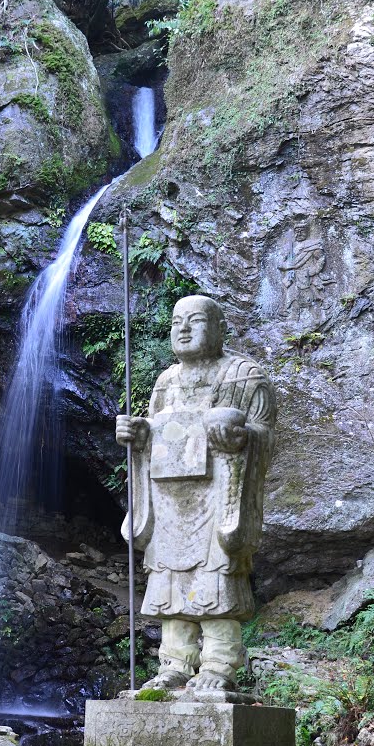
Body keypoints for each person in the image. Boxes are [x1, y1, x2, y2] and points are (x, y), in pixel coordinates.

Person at [116, 295, 276, 691]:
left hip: (218, 494)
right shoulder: (165, 381)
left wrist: (240, 436)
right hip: (169, 499)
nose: (183, 328)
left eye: (196, 320)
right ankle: (175, 664)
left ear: (220, 329)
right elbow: (156, 432)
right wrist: (138, 435)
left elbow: (266, 437)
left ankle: (219, 666)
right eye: (176, 321)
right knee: (169, 577)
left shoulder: (245, 375)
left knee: (217, 576)